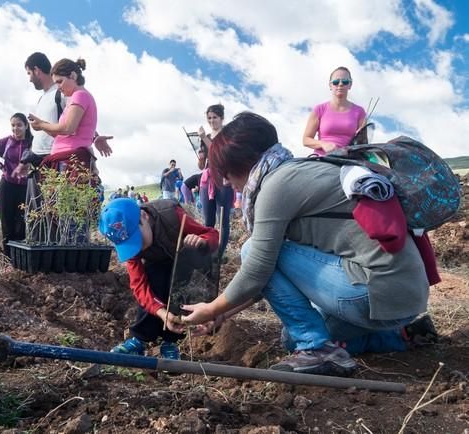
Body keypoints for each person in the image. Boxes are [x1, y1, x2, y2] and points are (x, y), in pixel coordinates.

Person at [179, 112, 436, 377]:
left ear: (241, 163)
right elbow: (266, 277)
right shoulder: (298, 170)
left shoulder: (276, 185)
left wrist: (211, 308)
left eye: (226, 174)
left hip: (374, 290)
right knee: (291, 339)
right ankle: (399, 336)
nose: (228, 183)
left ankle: (317, 348)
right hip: (402, 297)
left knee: (250, 249)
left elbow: (258, 269)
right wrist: (222, 313)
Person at [99, 198, 218, 360]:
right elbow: (139, 286)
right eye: (129, 244)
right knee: (153, 281)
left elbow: (212, 234)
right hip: (156, 264)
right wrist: (161, 312)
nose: (136, 247)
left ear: (144, 216)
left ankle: (172, 341)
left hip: (185, 263)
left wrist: (202, 241)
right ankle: (140, 338)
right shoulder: (133, 249)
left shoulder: (171, 215)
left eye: (137, 239)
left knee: (179, 288)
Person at [0, 113, 33, 256]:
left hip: (25, 187)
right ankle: (8, 258)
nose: (16, 129)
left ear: (26, 126)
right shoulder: (6, 142)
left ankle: (20, 257)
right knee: (7, 222)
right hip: (7, 186)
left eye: (19, 125)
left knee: (22, 222)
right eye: (13, 125)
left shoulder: (33, 142)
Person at [303, 66, 367, 155]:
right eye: (336, 82)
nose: (340, 84)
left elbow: (363, 144)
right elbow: (306, 140)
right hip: (321, 158)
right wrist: (323, 144)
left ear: (350, 85)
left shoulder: (360, 112)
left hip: (349, 160)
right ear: (330, 85)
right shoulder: (319, 109)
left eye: (345, 82)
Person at [198, 104, 234, 259]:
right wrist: (200, 157)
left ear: (222, 118)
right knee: (208, 220)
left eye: (215, 117)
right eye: (209, 118)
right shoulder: (205, 137)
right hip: (207, 180)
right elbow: (201, 165)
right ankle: (208, 253)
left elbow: (219, 154)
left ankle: (219, 255)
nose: (212, 121)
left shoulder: (228, 134)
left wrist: (204, 138)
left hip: (224, 179)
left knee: (223, 220)